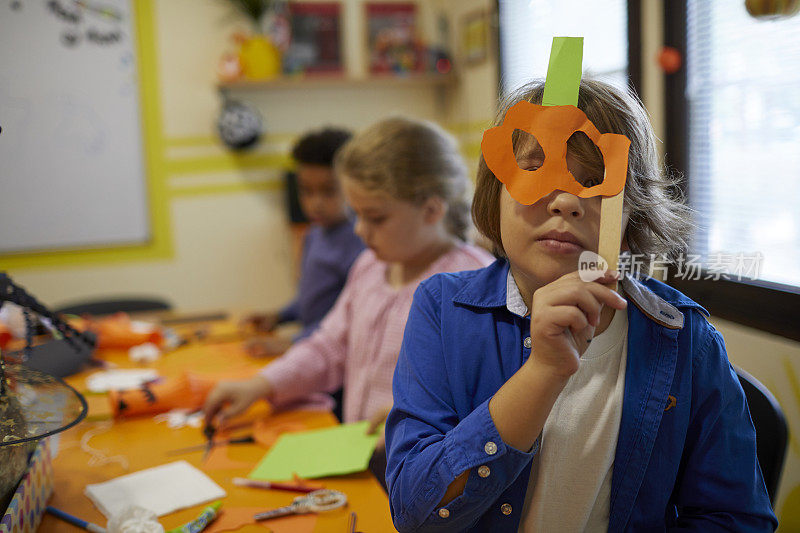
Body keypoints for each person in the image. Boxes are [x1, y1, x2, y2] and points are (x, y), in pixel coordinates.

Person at [385, 79, 777, 531]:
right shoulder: (443, 310)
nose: (567, 201)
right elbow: (415, 513)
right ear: (496, 194)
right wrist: (542, 372)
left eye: (595, 181)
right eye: (534, 170)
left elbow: (735, 518)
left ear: (632, 214)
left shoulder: (686, 340)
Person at [204, 117, 495, 486]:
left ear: (432, 210)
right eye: (356, 214)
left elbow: (491, 394)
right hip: (361, 463)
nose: (359, 230)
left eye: (375, 217)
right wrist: (261, 384)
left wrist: (417, 412)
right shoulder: (371, 266)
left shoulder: (471, 284)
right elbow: (328, 346)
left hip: (428, 481)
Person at [243, 127, 364, 357]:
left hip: (335, 359)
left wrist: (293, 342)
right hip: (311, 346)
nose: (315, 203)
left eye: (329, 192)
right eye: (306, 191)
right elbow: (311, 298)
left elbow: (350, 319)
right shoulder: (313, 234)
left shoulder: (361, 242)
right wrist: (279, 316)